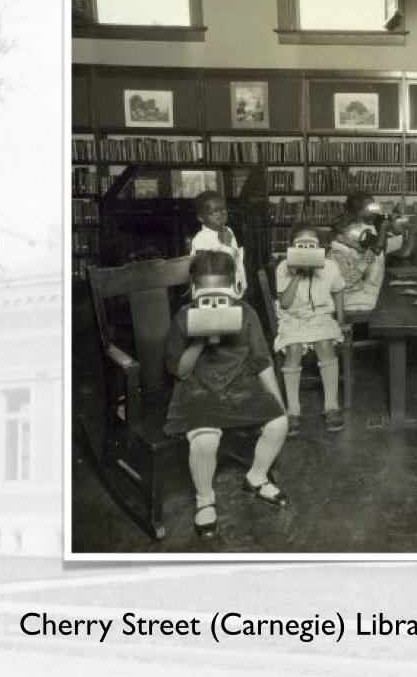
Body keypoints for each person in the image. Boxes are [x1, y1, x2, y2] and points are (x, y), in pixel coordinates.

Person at [164, 251, 288, 539]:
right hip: (197, 389)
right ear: (194, 291)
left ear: (234, 289)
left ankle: (256, 477)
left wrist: (277, 402)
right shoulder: (183, 317)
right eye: (205, 296)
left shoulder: (246, 313)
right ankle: (204, 498)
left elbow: (261, 361)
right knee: (205, 440)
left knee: (278, 423)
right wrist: (199, 341)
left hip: (240, 387)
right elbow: (179, 372)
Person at [274, 226, 347, 434]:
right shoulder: (283, 267)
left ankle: (331, 406)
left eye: (311, 245)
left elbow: (339, 290)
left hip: (321, 317)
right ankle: (293, 410)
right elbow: (286, 303)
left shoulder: (331, 266)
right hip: (292, 317)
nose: (306, 249)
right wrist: (297, 275)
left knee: (324, 344)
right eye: (300, 245)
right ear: (291, 248)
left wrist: (340, 319)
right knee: (294, 348)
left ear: (320, 248)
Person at [190, 190, 247, 296]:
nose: (222, 214)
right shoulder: (200, 239)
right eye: (215, 211)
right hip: (210, 291)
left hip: (231, 287)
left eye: (224, 209)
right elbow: (210, 270)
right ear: (201, 217)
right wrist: (225, 245)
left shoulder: (229, 231)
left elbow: (234, 260)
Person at [328, 215, 383, 313]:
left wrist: (365, 258)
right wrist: (363, 263)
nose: (359, 236)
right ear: (340, 237)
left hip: (355, 292)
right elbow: (346, 282)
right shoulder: (335, 255)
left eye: (359, 231)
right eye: (354, 233)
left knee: (383, 294)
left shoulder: (348, 251)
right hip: (344, 299)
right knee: (381, 305)